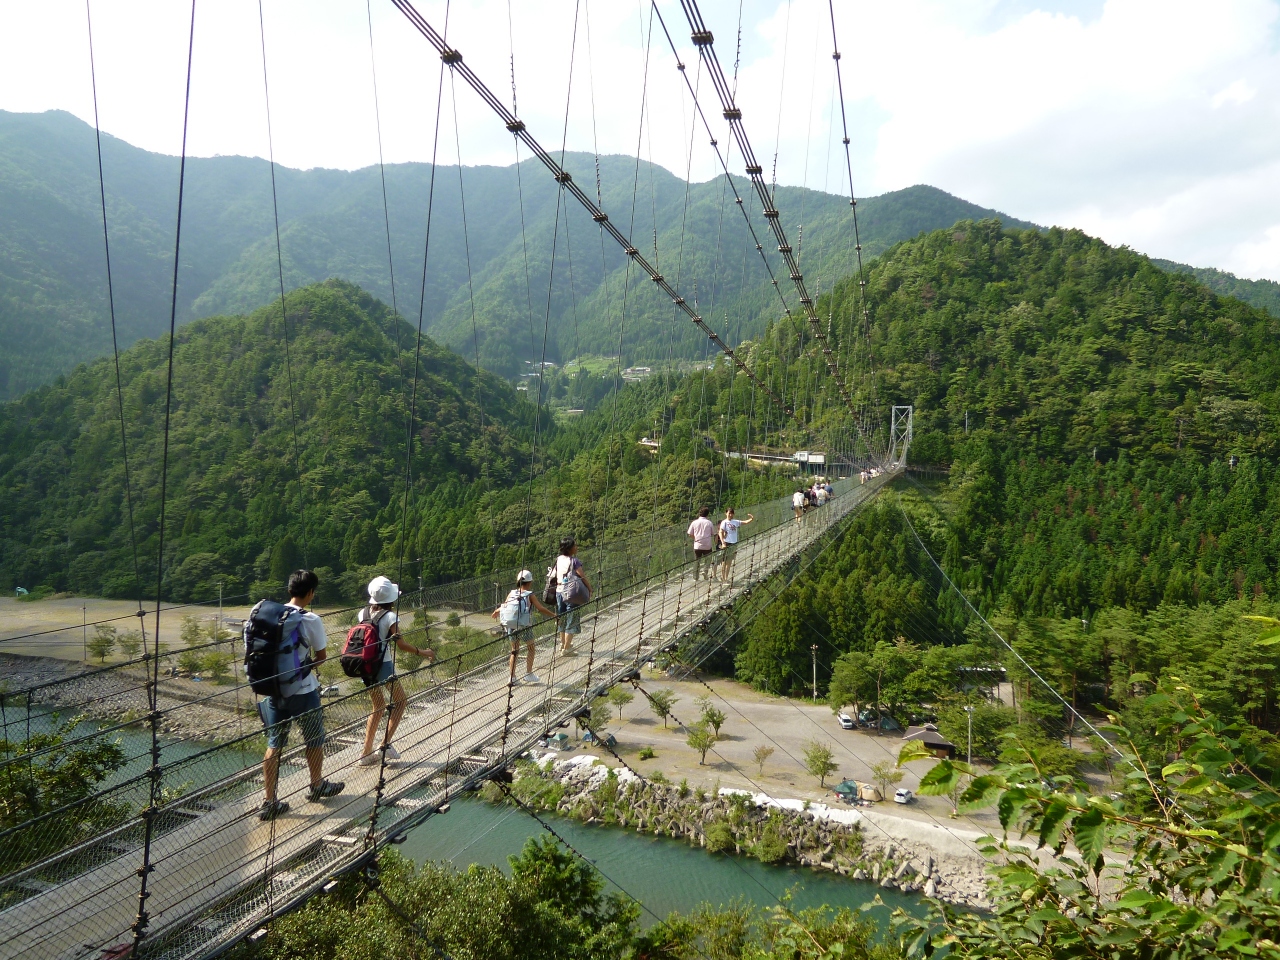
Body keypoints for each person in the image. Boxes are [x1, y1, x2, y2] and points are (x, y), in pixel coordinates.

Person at [256, 569, 344, 821]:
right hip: (303, 691)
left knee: (274, 744)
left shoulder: (267, 616)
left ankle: (269, 800)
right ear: (311, 593)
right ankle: (317, 786)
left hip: (273, 690)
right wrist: (298, 670)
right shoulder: (311, 619)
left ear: (289, 590)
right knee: (314, 739)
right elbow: (322, 657)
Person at [358, 576, 435, 766]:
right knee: (400, 701)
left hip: (364, 665)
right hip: (382, 666)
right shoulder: (390, 617)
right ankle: (384, 745)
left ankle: (366, 753)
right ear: (390, 599)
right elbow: (401, 645)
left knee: (378, 706)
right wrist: (424, 652)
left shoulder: (363, 613)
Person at [492, 569, 554, 684]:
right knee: (531, 649)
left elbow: (505, 606)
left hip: (511, 626)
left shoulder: (512, 593)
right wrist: (554, 615)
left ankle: (512, 677)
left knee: (514, 650)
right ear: (529, 582)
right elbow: (540, 609)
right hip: (524, 626)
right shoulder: (529, 595)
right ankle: (529, 673)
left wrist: (497, 610)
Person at [554, 537, 592, 656]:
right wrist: (590, 589)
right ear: (570, 549)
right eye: (575, 546)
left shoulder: (558, 559)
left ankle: (563, 644)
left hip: (559, 592)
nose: (577, 547)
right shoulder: (574, 561)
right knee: (572, 619)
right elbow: (582, 576)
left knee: (562, 619)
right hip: (571, 594)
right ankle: (566, 649)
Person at [717, 507, 754, 581]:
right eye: (729, 513)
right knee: (724, 562)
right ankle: (723, 577)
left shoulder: (735, 522)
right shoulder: (724, 522)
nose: (730, 515)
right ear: (726, 513)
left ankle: (726, 578)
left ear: (733, 514)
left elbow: (745, 522)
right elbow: (720, 532)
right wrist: (723, 542)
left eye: (731, 513)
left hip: (734, 544)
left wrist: (751, 519)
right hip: (726, 543)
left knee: (729, 562)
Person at [687, 507, 717, 580]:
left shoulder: (694, 522)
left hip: (697, 545)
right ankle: (705, 571)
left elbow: (689, 534)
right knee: (708, 559)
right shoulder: (709, 523)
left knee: (697, 561)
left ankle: (695, 577)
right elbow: (713, 533)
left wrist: (696, 538)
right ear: (707, 514)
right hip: (707, 545)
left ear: (699, 514)